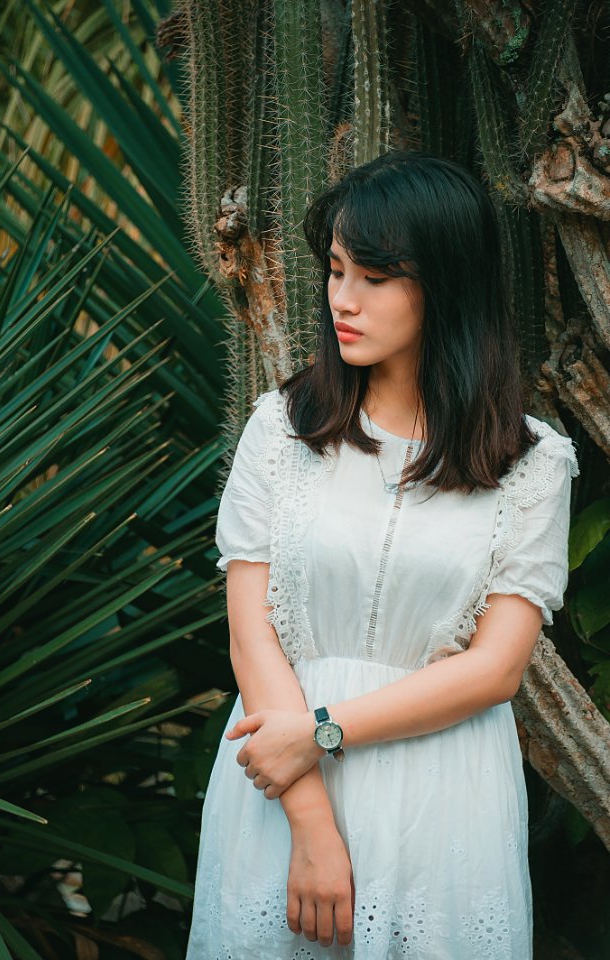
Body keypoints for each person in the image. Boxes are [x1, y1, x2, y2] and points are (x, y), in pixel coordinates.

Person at [184, 149, 578, 960]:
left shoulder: (533, 463)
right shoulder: (280, 429)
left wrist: (320, 732)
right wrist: (311, 819)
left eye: (374, 275)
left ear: (446, 283)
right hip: (280, 791)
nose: (342, 300)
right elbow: (251, 633)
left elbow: (493, 671)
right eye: (334, 270)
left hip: (443, 798)